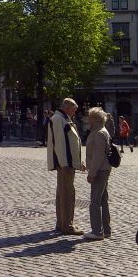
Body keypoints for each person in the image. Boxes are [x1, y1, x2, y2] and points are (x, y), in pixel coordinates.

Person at [47, 98, 85, 235]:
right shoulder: (59, 119)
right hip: (65, 165)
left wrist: (77, 161)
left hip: (68, 163)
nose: (75, 111)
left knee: (63, 193)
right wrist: (64, 164)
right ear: (67, 107)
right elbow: (60, 144)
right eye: (74, 108)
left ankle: (62, 222)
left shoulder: (64, 118)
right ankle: (67, 225)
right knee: (67, 194)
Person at [83, 107, 112, 241]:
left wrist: (92, 173)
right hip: (103, 169)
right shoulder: (101, 131)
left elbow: (98, 156)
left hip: (100, 170)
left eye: (89, 117)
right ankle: (106, 230)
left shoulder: (99, 133)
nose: (88, 119)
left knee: (95, 202)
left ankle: (97, 231)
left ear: (95, 119)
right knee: (103, 200)